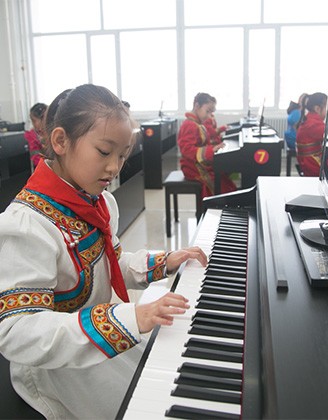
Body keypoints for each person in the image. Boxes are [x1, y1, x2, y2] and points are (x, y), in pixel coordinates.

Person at [0, 84, 207, 420]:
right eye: (104, 151)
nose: (115, 167)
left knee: (168, 367)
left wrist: (163, 262)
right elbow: (17, 332)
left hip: (94, 330)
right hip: (55, 365)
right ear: (61, 142)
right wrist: (130, 317)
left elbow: (110, 261)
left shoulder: (99, 201)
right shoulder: (27, 224)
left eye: (123, 154)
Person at [177, 92, 237, 198]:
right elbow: (186, 150)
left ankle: (225, 202)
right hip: (191, 166)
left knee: (222, 176)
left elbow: (205, 143)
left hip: (197, 163)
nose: (209, 116)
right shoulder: (189, 124)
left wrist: (214, 148)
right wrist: (211, 150)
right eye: (207, 111)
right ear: (197, 106)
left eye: (211, 113)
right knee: (217, 180)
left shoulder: (197, 123)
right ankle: (212, 206)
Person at [295, 92, 328, 177]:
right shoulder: (314, 124)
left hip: (308, 164)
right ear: (317, 108)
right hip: (313, 166)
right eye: (326, 108)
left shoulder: (310, 120)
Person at [24, 102, 48, 169]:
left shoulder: (53, 130)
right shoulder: (31, 135)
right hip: (43, 167)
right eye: (33, 121)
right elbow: (35, 157)